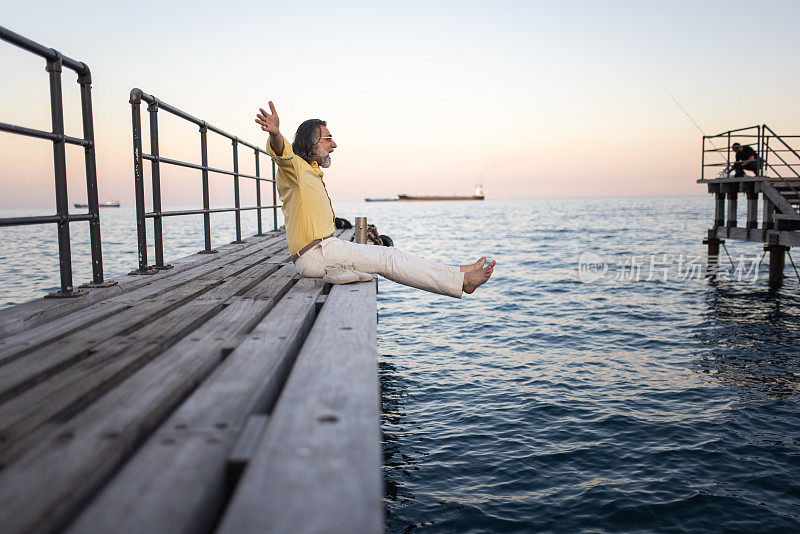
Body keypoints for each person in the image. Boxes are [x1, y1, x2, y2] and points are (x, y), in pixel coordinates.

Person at [254, 101, 494, 298]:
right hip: (314, 254)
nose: (334, 144)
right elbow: (281, 153)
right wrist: (276, 133)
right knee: (388, 258)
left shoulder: (311, 171)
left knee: (394, 255)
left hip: (326, 248)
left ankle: (457, 274)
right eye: (328, 138)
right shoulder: (294, 168)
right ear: (312, 142)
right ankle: (461, 282)